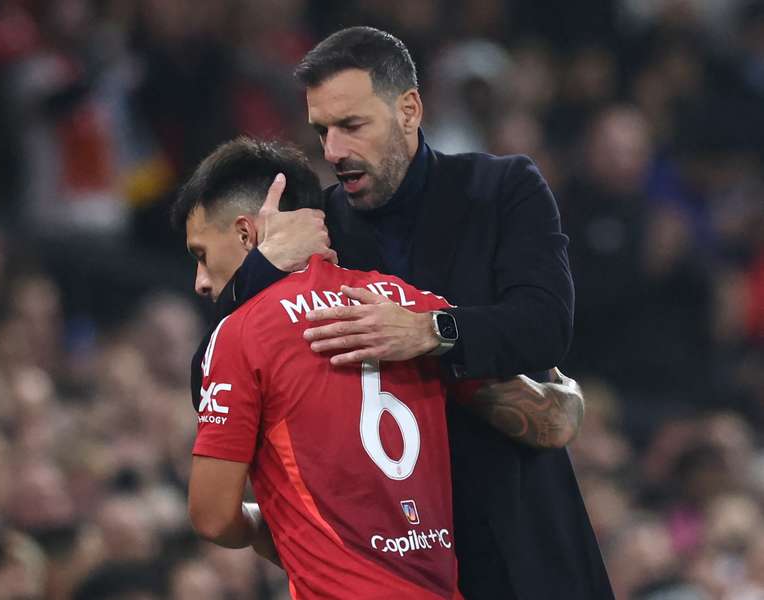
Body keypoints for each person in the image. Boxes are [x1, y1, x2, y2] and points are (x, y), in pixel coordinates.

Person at [196, 27, 612, 600]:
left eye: (352, 126)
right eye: (322, 131)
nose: (333, 150)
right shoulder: (321, 228)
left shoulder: (501, 188)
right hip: (398, 554)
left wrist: (431, 331)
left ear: (409, 110)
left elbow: (544, 326)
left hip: (522, 533)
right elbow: (213, 369)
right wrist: (263, 268)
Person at [176, 137, 466, 598]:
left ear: (247, 233)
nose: (201, 282)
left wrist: (261, 522)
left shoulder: (241, 333)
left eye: (201, 255)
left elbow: (212, 516)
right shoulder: (410, 306)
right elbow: (543, 411)